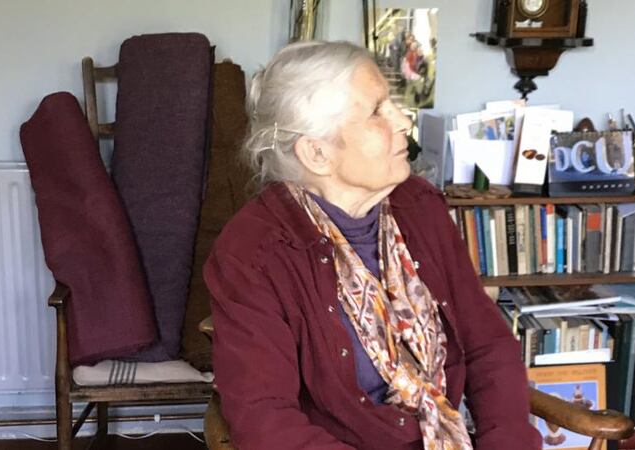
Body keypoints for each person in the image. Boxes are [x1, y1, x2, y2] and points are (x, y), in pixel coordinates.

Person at [204, 40, 542, 450]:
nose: (403, 121)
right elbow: (265, 418)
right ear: (317, 152)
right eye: (378, 111)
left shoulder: (419, 207)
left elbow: (487, 343)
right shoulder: (254, 252)